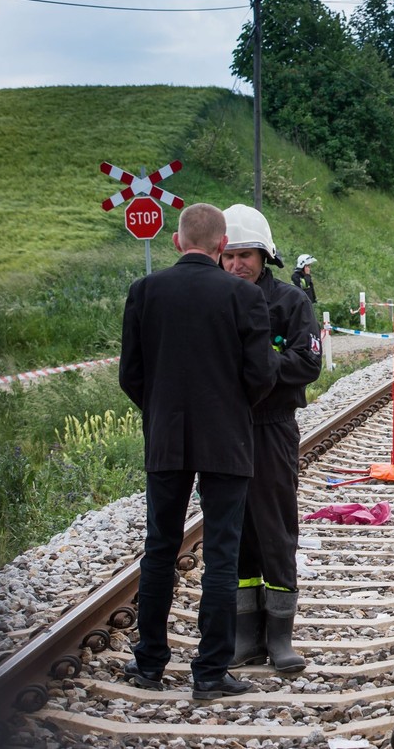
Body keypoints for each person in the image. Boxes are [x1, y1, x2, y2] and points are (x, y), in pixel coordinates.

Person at [118, 203, 276, 700]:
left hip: (165, 438)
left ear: (176, 242)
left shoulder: (145, 291)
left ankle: (148, 664)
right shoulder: (241, 296)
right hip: (226, 438)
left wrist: (162, 409)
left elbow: (131, 374)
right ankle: (209, 672)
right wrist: (230, 408)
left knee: (160, 548)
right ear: (222, 246)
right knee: (222, 555)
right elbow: (262, 376)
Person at [220, 205, 323, 674]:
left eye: (247, 255)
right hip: (225, 429)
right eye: (230, 256)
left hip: (273, 427)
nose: (238, 264)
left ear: (266, 256)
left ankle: (280, 636)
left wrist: (260, 366)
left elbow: (308, 363)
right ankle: (245, 635)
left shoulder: (290, 302)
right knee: (236, 532)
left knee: (276, 530)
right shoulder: (213, 300)